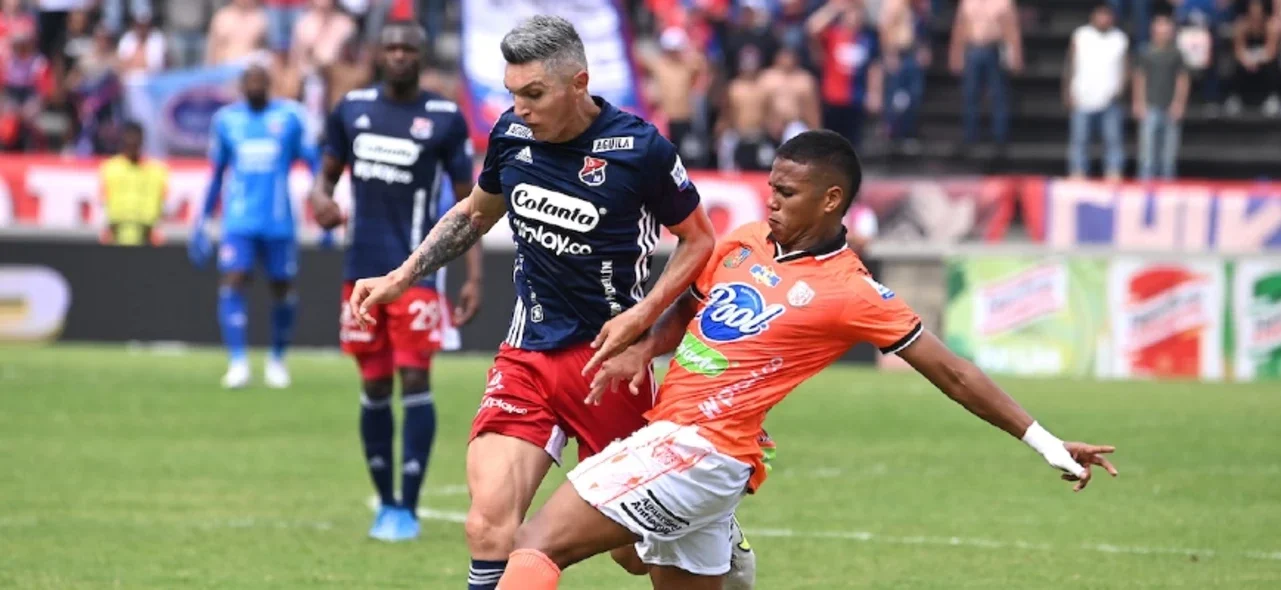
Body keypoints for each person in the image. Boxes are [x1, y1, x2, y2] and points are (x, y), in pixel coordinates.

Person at [493, 130, 1120, 589]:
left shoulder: (851, 290)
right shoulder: (742, 243)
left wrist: (1043, 440)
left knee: (534, 544)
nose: (770, 203)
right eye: (770, 189)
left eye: (787, 194)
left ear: (831, 199)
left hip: (699, 448)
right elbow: (691, 307)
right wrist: (644, 348)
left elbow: (952, 372)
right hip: (696, 452)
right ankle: (718, 529)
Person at [342, 15, 732, 590]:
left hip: (610, 364)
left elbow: (699, 239)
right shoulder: (512, 135)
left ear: (578, 83)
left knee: (632, 550)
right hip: (526, 356)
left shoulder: (639, 149)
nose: (520, 107)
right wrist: (403, 275)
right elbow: (476, 213)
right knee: (489, 525)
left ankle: (717, 543)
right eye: (512, 94)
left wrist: (644, 315)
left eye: (534, 94)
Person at [309, 20, 484, 543]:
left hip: (418, 276)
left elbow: (472, 206)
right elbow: (326, 177)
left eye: (409, 47)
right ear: (378, 55)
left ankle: (407, 504)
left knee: (415, 380)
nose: (400, 55)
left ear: (421, 56)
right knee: (375, 384)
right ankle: (384, 502)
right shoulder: (352, 110)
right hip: (359, 274)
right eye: (392, 47)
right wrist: (320, 201)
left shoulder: (444, 118)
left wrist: (473, 275)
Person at [189, 64, 317, 389]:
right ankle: (238, 362)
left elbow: (313, 162)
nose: (256, 86)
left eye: (262, 81)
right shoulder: (227, 121)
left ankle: (277, 360)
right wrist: (202, 220)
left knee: (282, 287)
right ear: (243, 87)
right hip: (239, 220)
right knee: (234, 280)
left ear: (270, 85)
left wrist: (322, 209)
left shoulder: (289, 118)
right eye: (251, 82)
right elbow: (217, 174)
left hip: (278, 221)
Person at [1065, 3, 1128, 180]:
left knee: (1113, 140)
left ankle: (1113, 171)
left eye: (1107, 15)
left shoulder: (1119, 38)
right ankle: (1078, 171)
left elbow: (1125, 67)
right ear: (1093, 16)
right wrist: (1068, 92)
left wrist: (1121, 88)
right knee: (1079, 140)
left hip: (1110, 97)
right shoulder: (1080, 35)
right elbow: (1070, 64)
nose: (1103, 19)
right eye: (1100, 15)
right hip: (1082, 95)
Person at [807, 0, 882, 148]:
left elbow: (874, 68)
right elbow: (812, 28)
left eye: (857, 14)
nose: (855, 18)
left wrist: (874, 93)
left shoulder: (868, 39)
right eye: (851, 14)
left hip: (855, 98)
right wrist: (835, 7)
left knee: (852, 144)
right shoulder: (833, 35)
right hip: (832, 97)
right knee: (830, 143)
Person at [950, 0, 1022, 147]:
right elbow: (960, 27)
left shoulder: (1004, 3)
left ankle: (1000, 136)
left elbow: (1011, 29)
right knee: (970, 94)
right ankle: (971, 136)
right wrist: (955, 55)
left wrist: (1016, 56)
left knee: (998, 94)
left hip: (994, 49)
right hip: (972, 49)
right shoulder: (967, 2)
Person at [1133, 12, 1190, 180]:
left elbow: (1183, 79)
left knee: (1168, 157)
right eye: (1160, 28)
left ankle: (1167, 193)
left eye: (1167, 28)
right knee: (1147, 155)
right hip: (1150, 106)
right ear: (1153, 30)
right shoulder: (1145, 52)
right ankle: (1145, 190)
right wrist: (1139, 102)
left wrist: (1179, 103)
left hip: (1170, 107)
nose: (1164, 32)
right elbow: (1139, 78)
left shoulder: (1176, 54)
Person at [99, 121, 167, 246]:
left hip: (148, 235)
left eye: (135, 142)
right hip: (116, 232)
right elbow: (103, 201)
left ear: (142, 142)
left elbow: (162, 203)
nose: (132, 146)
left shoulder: (157, 170)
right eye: (128, 142)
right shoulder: (110, 168)